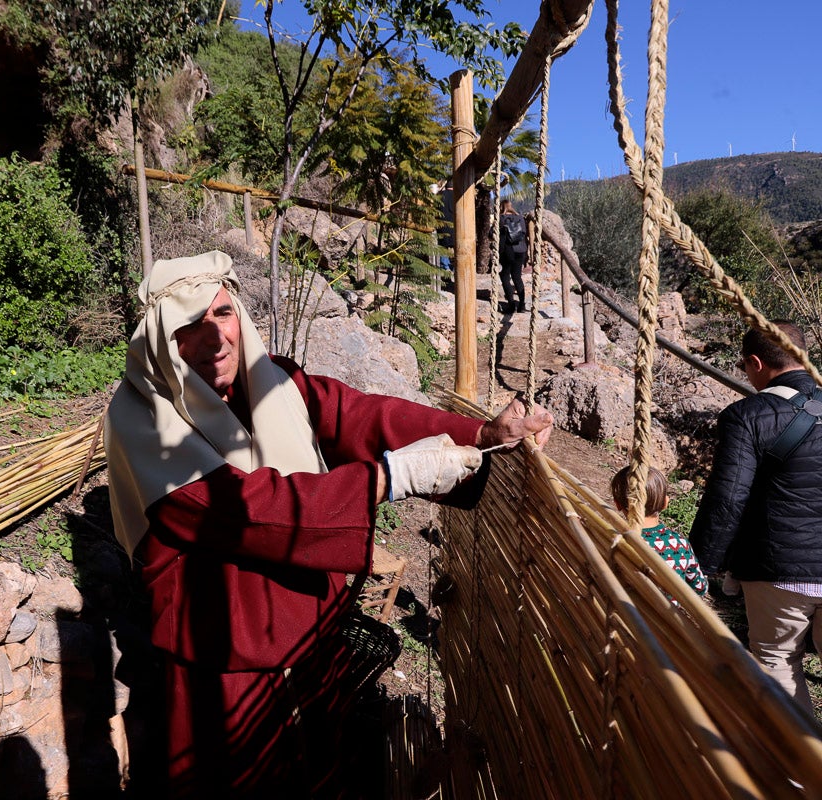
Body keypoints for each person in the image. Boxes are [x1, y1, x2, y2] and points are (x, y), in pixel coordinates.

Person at [105, 251, 554, 797]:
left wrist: (479, 435)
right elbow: (247, 510)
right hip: (224, 660)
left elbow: (357, 416)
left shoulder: (271, 383)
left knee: (319, 773)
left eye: (223, 314)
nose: (216, 338)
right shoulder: (143, 421)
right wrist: (387, 478)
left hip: (312, 635)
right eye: (191, 324)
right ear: (161, 338)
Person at [690, 320, 822, 712]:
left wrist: (698, 567)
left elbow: (728, 499)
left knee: (778, 658)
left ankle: (796, 751)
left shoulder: (747, 416)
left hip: (778, 568)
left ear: (756, 363)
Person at [609, 466, 707, 597]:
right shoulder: (679, 544)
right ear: (665, 503)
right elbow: (700, 588)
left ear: (617, 504)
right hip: (667, 610)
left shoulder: (614, 541)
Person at [498, 198, 528, 314]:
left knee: (505, 275)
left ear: (501, 207)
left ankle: (511, 304)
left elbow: (491, 233)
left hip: (508, 250)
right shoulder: (520, 218)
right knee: (517, 277)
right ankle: (522, 304)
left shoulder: (501, 218)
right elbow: (524, 232)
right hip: (520, 250)